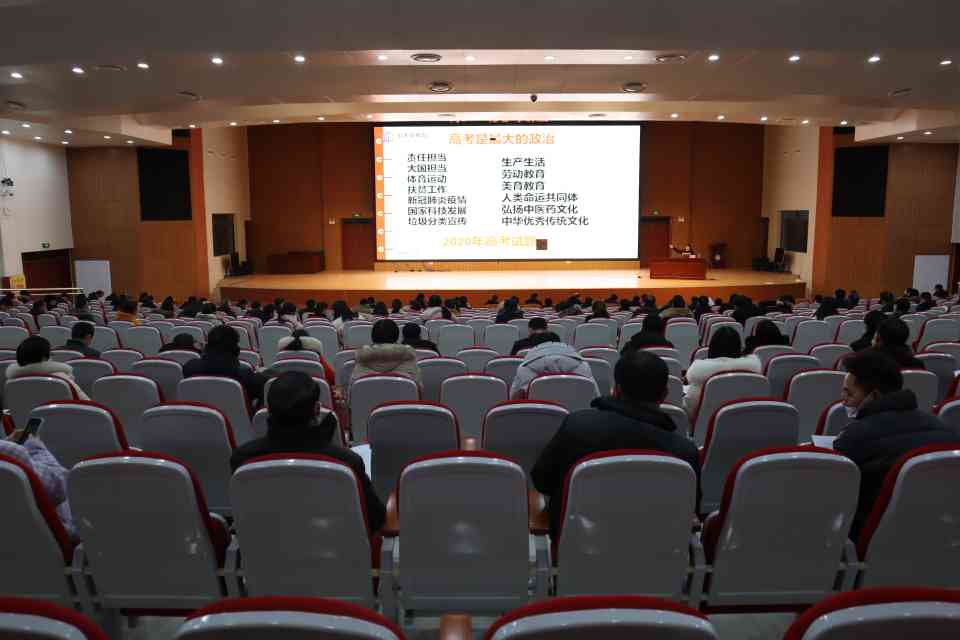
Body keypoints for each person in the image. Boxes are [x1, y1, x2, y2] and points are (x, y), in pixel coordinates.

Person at [531, 349, 700, 534]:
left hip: (580, 542)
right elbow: (691, 508)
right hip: (655, 547)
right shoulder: (685, 453)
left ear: (616, 389)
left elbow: (542, 481)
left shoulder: (577, 426)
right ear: (664, 394)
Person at [230, 372, 385, 532]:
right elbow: (375, 519)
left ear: (268, 411)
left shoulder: (242, 459)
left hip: (268, 545)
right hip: (333, 544)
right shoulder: (346, 462)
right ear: (317, 409)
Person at [835, 349, 960, 537]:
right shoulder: (945, 431)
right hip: (940, 533)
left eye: (849, 394)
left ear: (873, 396)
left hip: (875, 538)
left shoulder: (853, 438)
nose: (843, 401)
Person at [0, 431, 76, 538]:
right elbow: (59, 486)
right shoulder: (14, 452)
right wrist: (35, 445)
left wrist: (7, 442)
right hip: (47, 536)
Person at [684, 326, 761, 418]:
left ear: (712, 347)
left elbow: (689, 412)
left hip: (704, 427)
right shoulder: (755, 376)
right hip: (747, 424)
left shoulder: (700, 377)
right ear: (739, 347)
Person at [183, 325, 269, 405]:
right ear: (235, 349)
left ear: (207, 345)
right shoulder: (245, 374)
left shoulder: (189, 367)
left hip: (198, 415)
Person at [510, 332, 594, 399]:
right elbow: (595, 397)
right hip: (579, 414)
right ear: (559, 344)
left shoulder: (524, 368)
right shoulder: (583, 365)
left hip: (538, 414)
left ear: (534, 347)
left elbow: (513, 400)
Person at [6, 336, 89, 400]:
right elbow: (86, 404)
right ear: (44, 358)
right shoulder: (62, 379)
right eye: (50, 354)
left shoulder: (11, 381)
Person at [350, 319, 422, 389]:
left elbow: (351, 392)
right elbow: (418, 389)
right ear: (396, 336)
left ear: (373, 337)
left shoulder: (362, 358)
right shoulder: (408, 356)